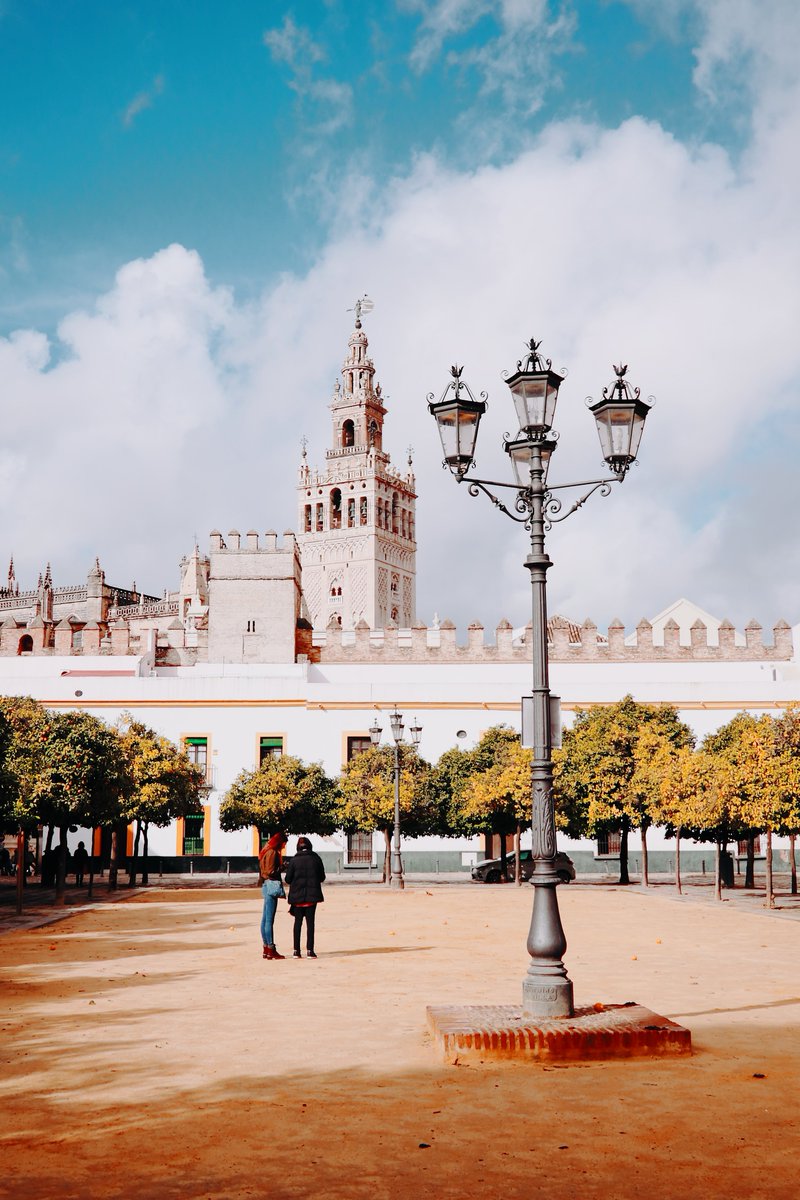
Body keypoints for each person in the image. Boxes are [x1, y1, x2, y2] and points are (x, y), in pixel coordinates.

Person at [284, 836, 326, 959]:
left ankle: (296, 951)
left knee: (297, 923)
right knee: (310, 923)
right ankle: (310, 951)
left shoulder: (294, 860)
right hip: (312, 897)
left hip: (297, 898)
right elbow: (322, 877)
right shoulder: (316, 859)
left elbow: (288, 879)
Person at [259, 832, 288, 960]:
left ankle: (266, 947)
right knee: (269, 919)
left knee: (265, 918)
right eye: (284, 843)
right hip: (271, 885)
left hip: (266, 884)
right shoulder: (273, 853)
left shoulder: (265, 851)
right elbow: (271, 871)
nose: (284, 846)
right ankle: (271, 948)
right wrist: (282, 867)